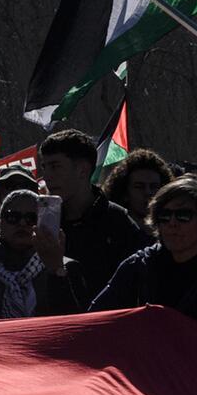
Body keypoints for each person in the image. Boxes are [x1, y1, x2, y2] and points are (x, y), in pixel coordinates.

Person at [91, 177, 197, 342]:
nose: (172, 223)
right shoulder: (138, 266)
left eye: (183, 216)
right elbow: (95, 319)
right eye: (165, 216)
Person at [37, 128, 151, 302]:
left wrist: (59, 269)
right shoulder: (45, 222)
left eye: (55, 166)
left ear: (82, 170)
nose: (47, 176)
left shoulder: (117, 223)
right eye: (44, 167)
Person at [0, 188, 83, 319]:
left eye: (31, 218)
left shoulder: (67, 267)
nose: (22, 224)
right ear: (0, 222)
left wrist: (56, 270)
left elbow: (75, 323)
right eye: (13, 217)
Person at [102, 148, 172, 222]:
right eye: (139, 187)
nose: (148, 192)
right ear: (125, 192)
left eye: (154, 187)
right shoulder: (109, 230)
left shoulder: (174, 230)